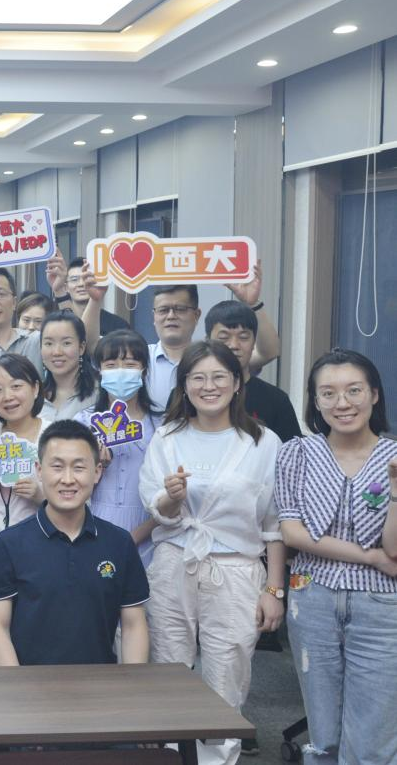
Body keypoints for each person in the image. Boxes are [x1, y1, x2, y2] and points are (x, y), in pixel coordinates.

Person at [139, 340, 284, 765]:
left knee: (228, 670)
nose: (209, 386)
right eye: (197, 377)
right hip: (174, 562)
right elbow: (158, 511)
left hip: (235, 569)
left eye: (219, 376)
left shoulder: (262, 442)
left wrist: (274, 591)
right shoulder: (167, 437)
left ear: (237, 383)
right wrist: (171, 497)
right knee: (168, 665)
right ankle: (171, 755)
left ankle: (220, 758)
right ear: (184, 385)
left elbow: (274, 524)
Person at [276, 349, 397, 765]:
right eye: (328, 393)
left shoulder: (393, 457)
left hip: (382, 605)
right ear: (315, 400)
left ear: (374, 394)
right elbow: (292, 532)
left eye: (354, 391)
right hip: (312, 599)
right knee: (323, 734)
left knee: (375, 736)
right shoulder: (297, 453)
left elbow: (395, 550)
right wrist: (371, 557)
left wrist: (395, 493)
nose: (342, 403)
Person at [0, 419, 150, 666]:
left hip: (101, 683)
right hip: (28, 683)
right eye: (57, 467)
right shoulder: (8, 544)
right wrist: (17, 682)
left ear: (97, 472)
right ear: (39, 470)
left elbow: (134, 625)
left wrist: (131, 684)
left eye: (79, 467)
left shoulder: (119, 543)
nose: (68, 479)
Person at [79, 264, 283, 411]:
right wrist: (95, 301)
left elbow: (269, 352)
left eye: (180, 309)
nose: (171, 316)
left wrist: (254, 304)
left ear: (197, 315)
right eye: (163, 310)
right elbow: (90, 345)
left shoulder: (214, 359)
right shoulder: (138, 358)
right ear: (153, 317)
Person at [80, 329, 160, 565]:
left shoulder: (161, 425)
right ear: (99, 370)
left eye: (130, 364)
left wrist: (131, 539)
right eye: (111, 365)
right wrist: (96, 468)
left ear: (144, 369)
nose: (121, 371)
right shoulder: (83, 422)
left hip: (150, 532)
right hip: (94, 528)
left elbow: (169, 498)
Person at [0, 354, 50, 579]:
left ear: (35, 388)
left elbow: (79, 500)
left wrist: (40, 496)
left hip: (42, 552)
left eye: (16, 386)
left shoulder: (55, 437)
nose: (7, 397)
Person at [205, 300, 302, 442]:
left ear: (254, 342)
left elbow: (293, 452)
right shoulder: (192, 394)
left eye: (243, 337)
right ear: (208, 341)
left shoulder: (276, 400)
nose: (234, 345)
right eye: (224, 338)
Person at [39, 312, 98, 421]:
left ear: (81, 348)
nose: (57, 352)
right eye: (49, 343)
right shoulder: (33, 395)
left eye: (66, 343)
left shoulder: (100, 394)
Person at [51, 256, 128, 335]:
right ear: (66, 287)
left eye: (86, 278)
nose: (81, 284)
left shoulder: (118, 325)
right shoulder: (54, 324)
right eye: (74, 279)